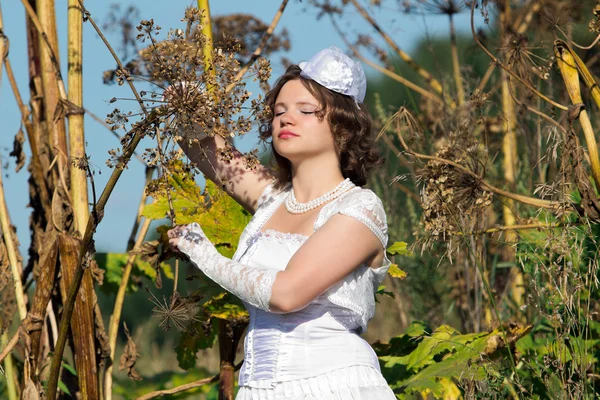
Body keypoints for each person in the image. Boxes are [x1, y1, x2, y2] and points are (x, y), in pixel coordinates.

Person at [167, 46, 396, 399]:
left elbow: (287, 294)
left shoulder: (361, 209)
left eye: (305, 111)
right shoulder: (273, 199)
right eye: (278, 112)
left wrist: (207, 257)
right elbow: (205, 151)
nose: (286, 119)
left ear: (344, 129)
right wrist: (182, 100)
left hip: (332, 387)